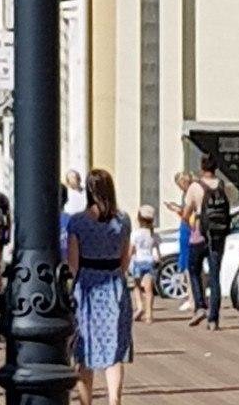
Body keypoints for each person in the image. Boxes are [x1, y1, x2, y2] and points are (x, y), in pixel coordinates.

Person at [67, 168, 133, 405]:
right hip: (114, 283)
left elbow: (73, 263)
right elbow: (125, 259)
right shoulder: (123, 220)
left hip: (87, 286)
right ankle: (114, 399)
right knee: (115, 348)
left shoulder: (77, 222)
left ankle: (86, 401)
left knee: (85, 349)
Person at [182, 155, 231, 330]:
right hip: (217, 236)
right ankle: (213, 319)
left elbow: (186, 213)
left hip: (199, 235)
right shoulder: (222, 185)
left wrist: (187, 218)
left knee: (193, 269)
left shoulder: (195, 187)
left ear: (202, 167)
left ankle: (200, 306)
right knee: (215, 276)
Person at [164, 172, 193, 312]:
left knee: (188, 265)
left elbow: (187, 213)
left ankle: (192, 297)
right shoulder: (189, 194)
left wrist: (176, 209)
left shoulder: (190, 194)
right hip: (186, 228)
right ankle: (192, 296)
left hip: (188, 229)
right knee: (187, 264)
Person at [129, 205, 161, 324]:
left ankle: (140, 307)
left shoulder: (135, 234)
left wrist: (127, 261)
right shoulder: (153, 235)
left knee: (137, 286)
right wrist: (159, 259)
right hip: (149, 261)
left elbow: (131, 249)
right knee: (149, 289)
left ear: (139, 218)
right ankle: (149, 314)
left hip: (138, 262)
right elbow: (157, 252)